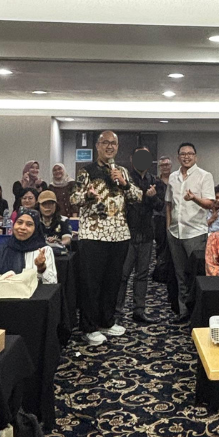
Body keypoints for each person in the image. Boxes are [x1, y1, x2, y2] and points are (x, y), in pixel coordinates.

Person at [70, 130, 143, 345]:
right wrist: (87, 195)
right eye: (105, 143)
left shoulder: (122, 171)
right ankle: (89, 327)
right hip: (93, 235)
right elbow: (74, 199)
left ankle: (106, 322)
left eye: (113, 143)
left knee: (113, 282)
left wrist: (124, 183)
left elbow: (137, 196)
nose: (110, 146)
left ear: (117, 147)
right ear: (98, 146)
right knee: (91, 283)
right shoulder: (86, 172)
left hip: (119, 234)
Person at [166, 142, 216, 321]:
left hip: (195, 232)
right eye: (183, 154)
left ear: (196, 156)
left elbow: (210, 203)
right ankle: (183, 312)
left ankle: (197, 312)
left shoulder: (205, 176)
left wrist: (194, 198)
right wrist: (168, 227)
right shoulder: (173, 177)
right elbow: (168, 203)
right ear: (178, 157)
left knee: (196, 274)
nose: (186, 156)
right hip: (175, 232)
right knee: (180, 274)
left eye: (190, 154)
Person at [114, 153, 160, 325]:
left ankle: (139, 311)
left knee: (142, 275)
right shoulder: (125, 179)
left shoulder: (154, 180)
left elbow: (160, 206)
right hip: (127, 234)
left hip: (147, 234)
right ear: (132, 160)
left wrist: (152, 197)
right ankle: (117, 311)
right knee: (122, 275)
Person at [0, 209, 58, 285]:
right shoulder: (1, 250)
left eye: (29, 224)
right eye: (19, 222)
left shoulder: (44, 250)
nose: (22, 227)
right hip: (3, 291)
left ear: (36, 228)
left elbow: (52, 283)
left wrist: (41, 268)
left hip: (36, 292)